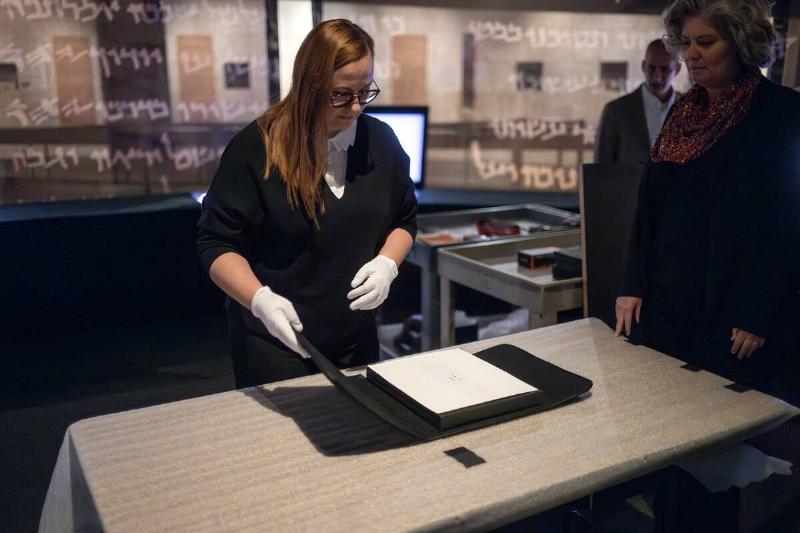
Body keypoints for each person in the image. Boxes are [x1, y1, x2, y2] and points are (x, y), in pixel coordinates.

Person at [615, 1, 800, 528]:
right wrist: (632, 283)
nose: (691, 55)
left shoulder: (780, 111)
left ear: (739, 44)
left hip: (730, 312)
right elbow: (650, 204)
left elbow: (788, 222)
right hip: (667, 307)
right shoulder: (686, 110)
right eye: (687, 43)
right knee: (667, 447)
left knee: (717, 458)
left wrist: (759, 312)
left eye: (706, 42)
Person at [197, 19, 417, 388]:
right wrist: (259, 300)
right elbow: (216, 244)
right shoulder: (257, 149)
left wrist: (387, 265)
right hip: (276, 340)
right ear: (309, 85)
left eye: (365, 91)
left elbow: (404, 220)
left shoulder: (381, 141)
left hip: (355, 334)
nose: (356, 107)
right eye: (340, 94)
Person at [594, 39, 682, 164]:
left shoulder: (691, 109)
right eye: (651, 68)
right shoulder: (616, 112)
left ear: (677, 69)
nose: (657, 77)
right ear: (643, 66)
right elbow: (602, 167)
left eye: (665, 69)